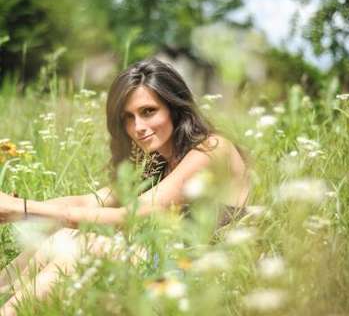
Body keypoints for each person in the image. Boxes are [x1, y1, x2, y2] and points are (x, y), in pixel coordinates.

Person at [0, 58, 251, 315]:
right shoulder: (155, 163)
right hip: (168, 264)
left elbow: (124, 218)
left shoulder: (211, 150)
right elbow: (90, 201)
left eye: (148, 111)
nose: (138, 127)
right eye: (128, 118)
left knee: (87, 246)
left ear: (175, 108)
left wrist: (20, 209)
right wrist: (12, 207)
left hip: (206, 277)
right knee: (62, 238)